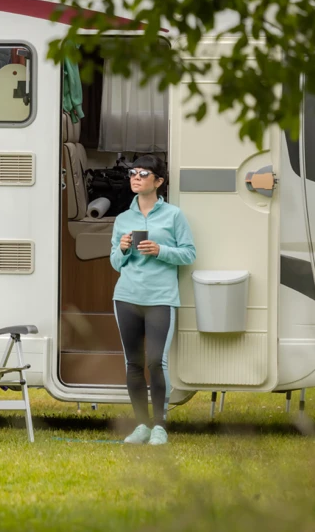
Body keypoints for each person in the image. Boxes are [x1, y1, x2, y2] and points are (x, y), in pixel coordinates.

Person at [109, 155, 196, 446]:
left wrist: (160, 250)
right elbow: (114, 263)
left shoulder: (173, 215)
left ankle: (160, 426)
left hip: (161, 298)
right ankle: (142, 426)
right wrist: (122, 249)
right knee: (133, 364)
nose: (136, 177)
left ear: (158, 181)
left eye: (143, 173)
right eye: (132, 173)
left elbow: (188, 254)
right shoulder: (123, 219)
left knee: (156, 361)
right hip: (126, 297)